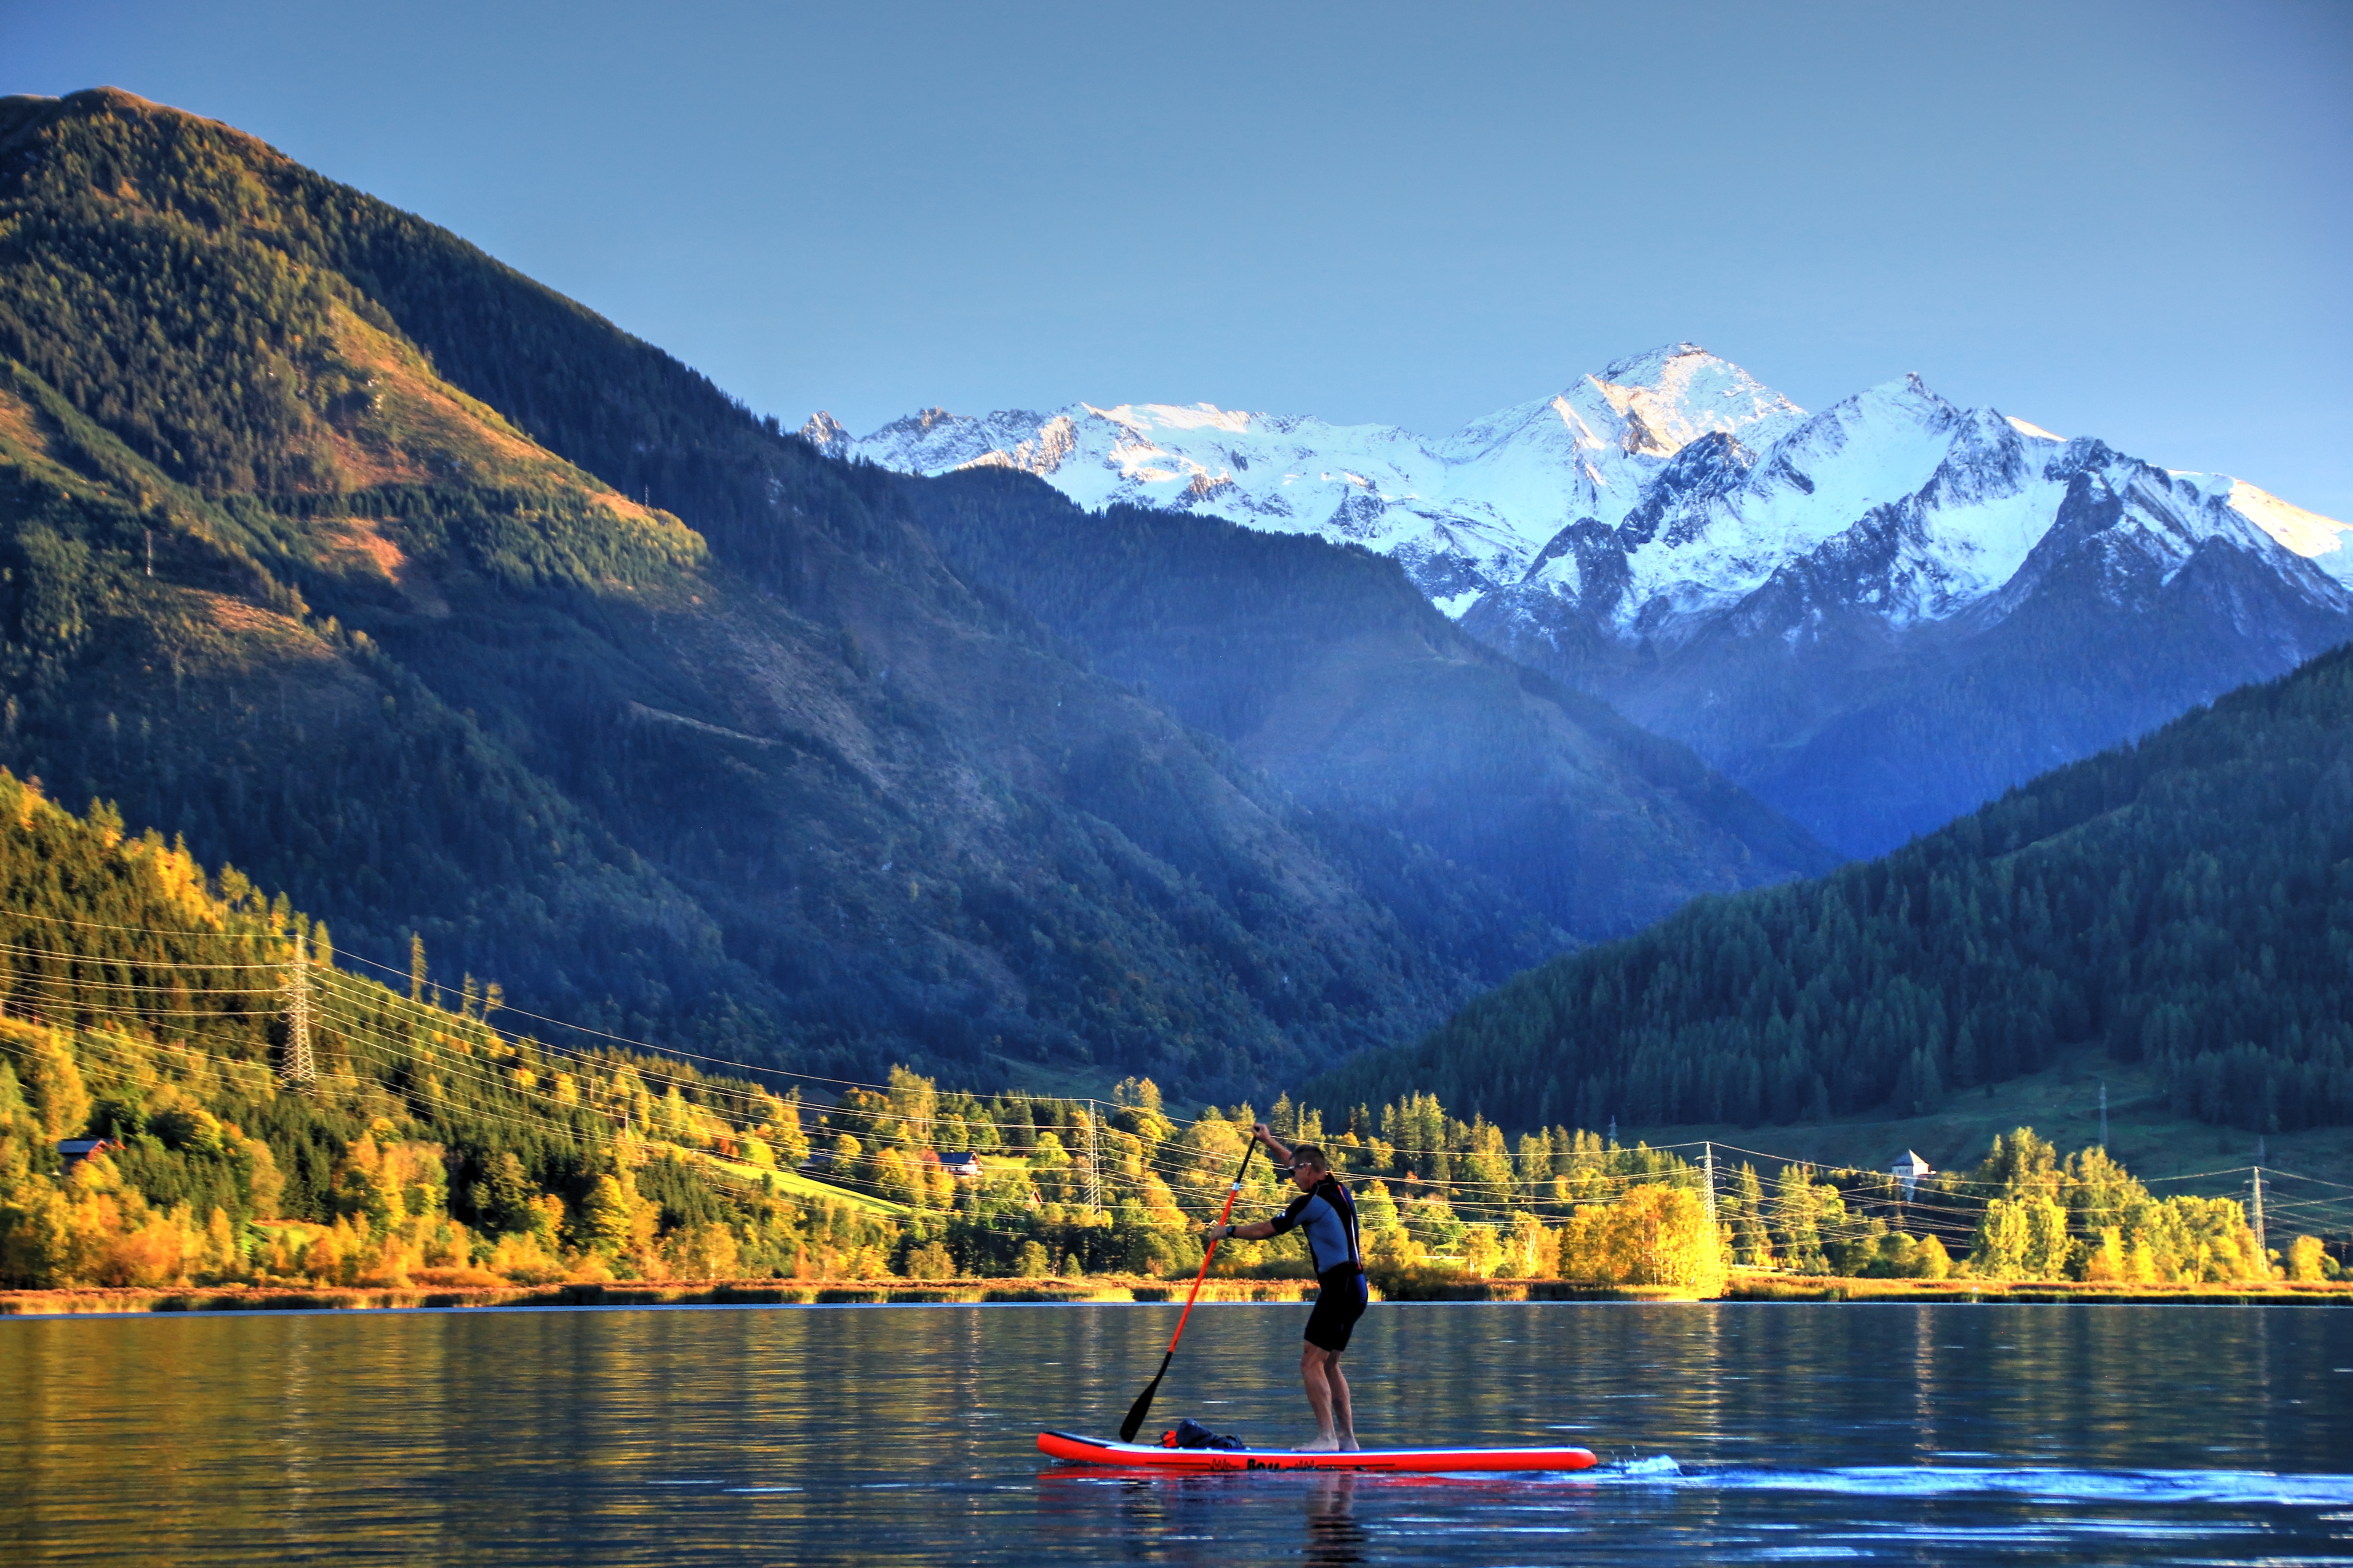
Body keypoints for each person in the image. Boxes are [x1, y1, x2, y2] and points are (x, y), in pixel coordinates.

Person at [1203, 1124, 1368, 1452]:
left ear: (1308, 1170)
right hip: (1356, 1288)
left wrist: (1228, 1231)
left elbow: (1266, 1229)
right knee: (1328, 1364)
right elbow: (1296, 1161)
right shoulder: (1338, 1188)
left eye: (1295, 1173)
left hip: (1339, 1287)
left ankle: (1327, 1439)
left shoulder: (1311, 1203)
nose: (1292, 1177)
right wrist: (1268, 1141)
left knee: (1310, 1363)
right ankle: (1348, 1440)